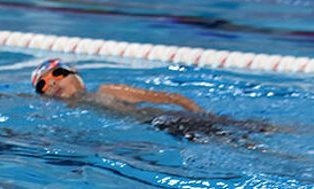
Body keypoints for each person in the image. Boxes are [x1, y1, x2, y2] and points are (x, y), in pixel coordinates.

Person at [30, 58, 274, 145]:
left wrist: (200, 114)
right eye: (42, 85)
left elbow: (172, 97)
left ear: (74, 74)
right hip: (163, 127)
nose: (50, 84)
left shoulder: (108, 90)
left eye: (56, 74)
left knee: (245, 138)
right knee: (244, 137)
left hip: (173, 120)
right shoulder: (75, 107)